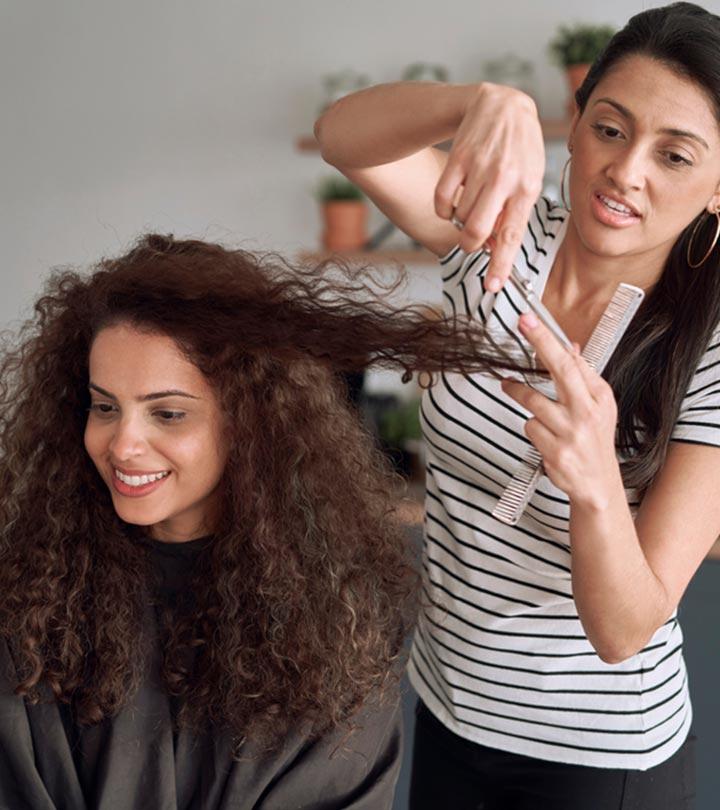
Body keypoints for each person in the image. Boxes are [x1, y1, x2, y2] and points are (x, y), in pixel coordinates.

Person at [315, 3, 720, 808]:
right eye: (610, 129)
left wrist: (597, 482)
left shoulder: (710, 347)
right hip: (445, 709)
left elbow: (625, 630)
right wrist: (475, 101)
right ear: (576, 123)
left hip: (596, 761)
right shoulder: (500, 239)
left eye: (675, 155)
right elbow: (341, 137)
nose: (627, 171)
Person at [0, 235, 512, 809]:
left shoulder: (335, 616)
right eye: (104, 406)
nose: (122, 444)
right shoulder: (33, 596)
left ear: (247, 421)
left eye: (167, 414)